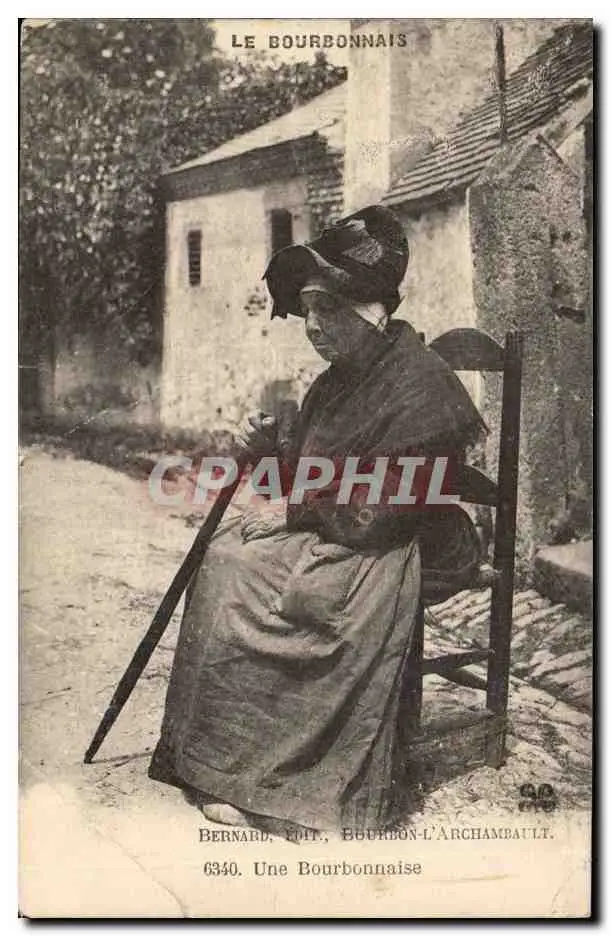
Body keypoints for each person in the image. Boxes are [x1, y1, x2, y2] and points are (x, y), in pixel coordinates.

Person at [149, 205, 485, 833]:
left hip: (409, 538)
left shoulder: (423, 385)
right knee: (226, 556)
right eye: (306, 311)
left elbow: (393, 502)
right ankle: (227, 762)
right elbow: (309, 475)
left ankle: (283, 781)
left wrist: (294, 512)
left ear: (368, 313)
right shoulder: (336, 383)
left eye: (325, 310)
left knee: (268, 582)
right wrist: (268, 450)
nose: (312, 327)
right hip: (349, 526)